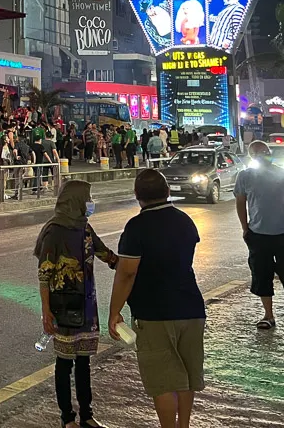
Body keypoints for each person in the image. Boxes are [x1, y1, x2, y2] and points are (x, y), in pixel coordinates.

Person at [108, 169, 205, 428]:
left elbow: (127, 273)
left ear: (137, 195)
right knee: (185, 376)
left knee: (163, 382)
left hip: (154, 313)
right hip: (192, 308)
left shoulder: (137, 227)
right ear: (168, 192)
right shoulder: (185, 220)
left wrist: (114, 311)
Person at [35, 180, 117, 428]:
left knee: (84, 362)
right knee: (64, 363)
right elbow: (44, 275)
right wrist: (46, 312)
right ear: (75, 200)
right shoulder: (55, 231)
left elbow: (105, 255)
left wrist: (128, 264)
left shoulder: (85, 228)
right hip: (63, 308)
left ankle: (87, 415)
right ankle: (67, 418)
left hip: (86, 306)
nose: (90, 203)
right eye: (87, 198)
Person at [234, 139, 284, 330]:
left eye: (265, 151)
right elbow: (240, 202)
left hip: (282, 234)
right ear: (251, 156)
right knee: (262, 276)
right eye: (256, 153)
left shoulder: (281, 173)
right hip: (258, 235)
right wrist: (245, 228)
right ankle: (268, 315)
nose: (262, 155)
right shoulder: (245, 176)